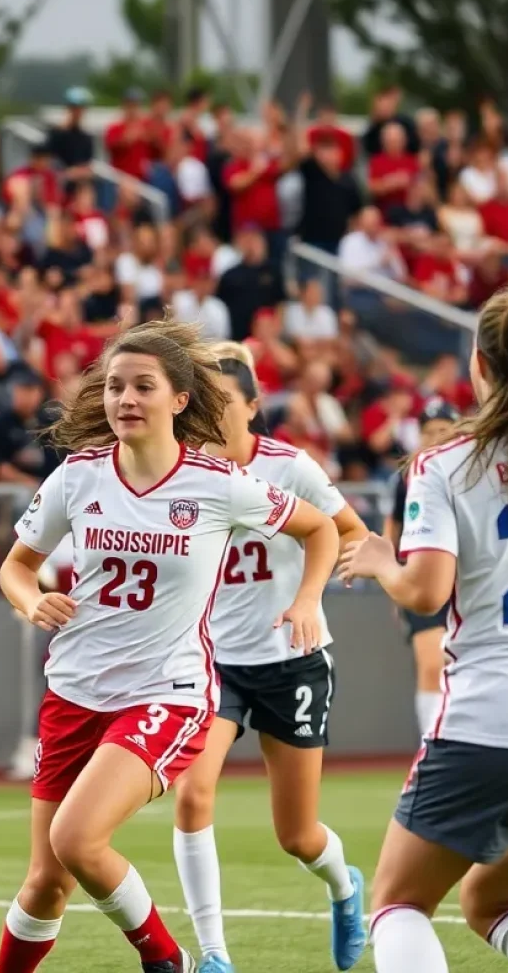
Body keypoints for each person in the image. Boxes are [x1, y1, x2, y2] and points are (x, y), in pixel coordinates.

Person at [0, 319, 341, 973]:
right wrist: (32, 597)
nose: (125, 398)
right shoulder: (77, 477)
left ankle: (166, 958)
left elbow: (320, 530)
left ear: (179, 399)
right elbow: (16, 565)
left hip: (166, 693)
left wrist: (306, 600)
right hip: (72, 693)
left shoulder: (216, 483)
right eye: (115, 386)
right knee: (47, 880)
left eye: (142, 386)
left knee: (76, 838)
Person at [339, 286, 508, 973]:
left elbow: (425, 590)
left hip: (496, 723)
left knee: (397, 902)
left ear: (477, 365)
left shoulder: (446, 464)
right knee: (494, 900)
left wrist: (378, 560)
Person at [171, 342, 369, 973]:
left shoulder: (292, 468)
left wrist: (314, 593)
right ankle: (214, 954)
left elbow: (352, 532)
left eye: (223, 401)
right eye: (200, 401)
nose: (210, 413)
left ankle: (344, 887)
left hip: (292, 660)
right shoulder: (182, 472)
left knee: (297, 835)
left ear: (253, 408)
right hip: (213, 663)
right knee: (192, 795)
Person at [383, 396, 460, 738]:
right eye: (429, 431)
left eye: (444, 429)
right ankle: (432, 743)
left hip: (464, 581)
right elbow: (391, 532)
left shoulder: (472, 470)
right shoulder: (408, 476)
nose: (436, 437)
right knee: (431, 663)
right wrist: (394, 583)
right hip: (421, 575)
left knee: (458, 665)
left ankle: (458, 737)